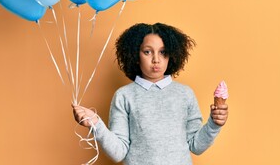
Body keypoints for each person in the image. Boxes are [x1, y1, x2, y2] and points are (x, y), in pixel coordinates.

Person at [72, 23, 229, 165]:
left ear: (172, 55)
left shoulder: (185, 94)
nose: (156, 59)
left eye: (163, 52)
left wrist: (214, 124)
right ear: (136, 55)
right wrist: (96, 124)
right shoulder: (124, 96)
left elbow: (196, 146)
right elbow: (118, 153)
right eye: (147, 52)